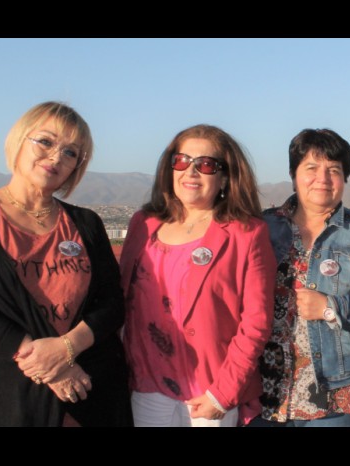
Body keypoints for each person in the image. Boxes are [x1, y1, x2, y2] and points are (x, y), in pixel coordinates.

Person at [0, 101, 132, 426]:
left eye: (71, 152)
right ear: (18, 141)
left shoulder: (85, 222)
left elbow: (112, 303)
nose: (56, 157)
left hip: (84, 395)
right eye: (45, 141)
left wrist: (66, 349)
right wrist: (48, 364)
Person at [120, 124, 276, 427]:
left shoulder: (247, 233)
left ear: (225, 178)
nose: (191, 172)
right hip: (147, 385)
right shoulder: (144, 223)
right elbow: (122, 296)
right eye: (181, 161)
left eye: (205, 165)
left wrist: (223, 393)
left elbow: (256, 322)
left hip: (210, 392)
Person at [251, 128, 350, 427]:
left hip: (340, 391)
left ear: (345, 178)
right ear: (293, 173)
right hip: (266, 389)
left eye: (333, 170)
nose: (322, 178)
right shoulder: (261, 227)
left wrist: (331, 306)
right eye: (311, 167)